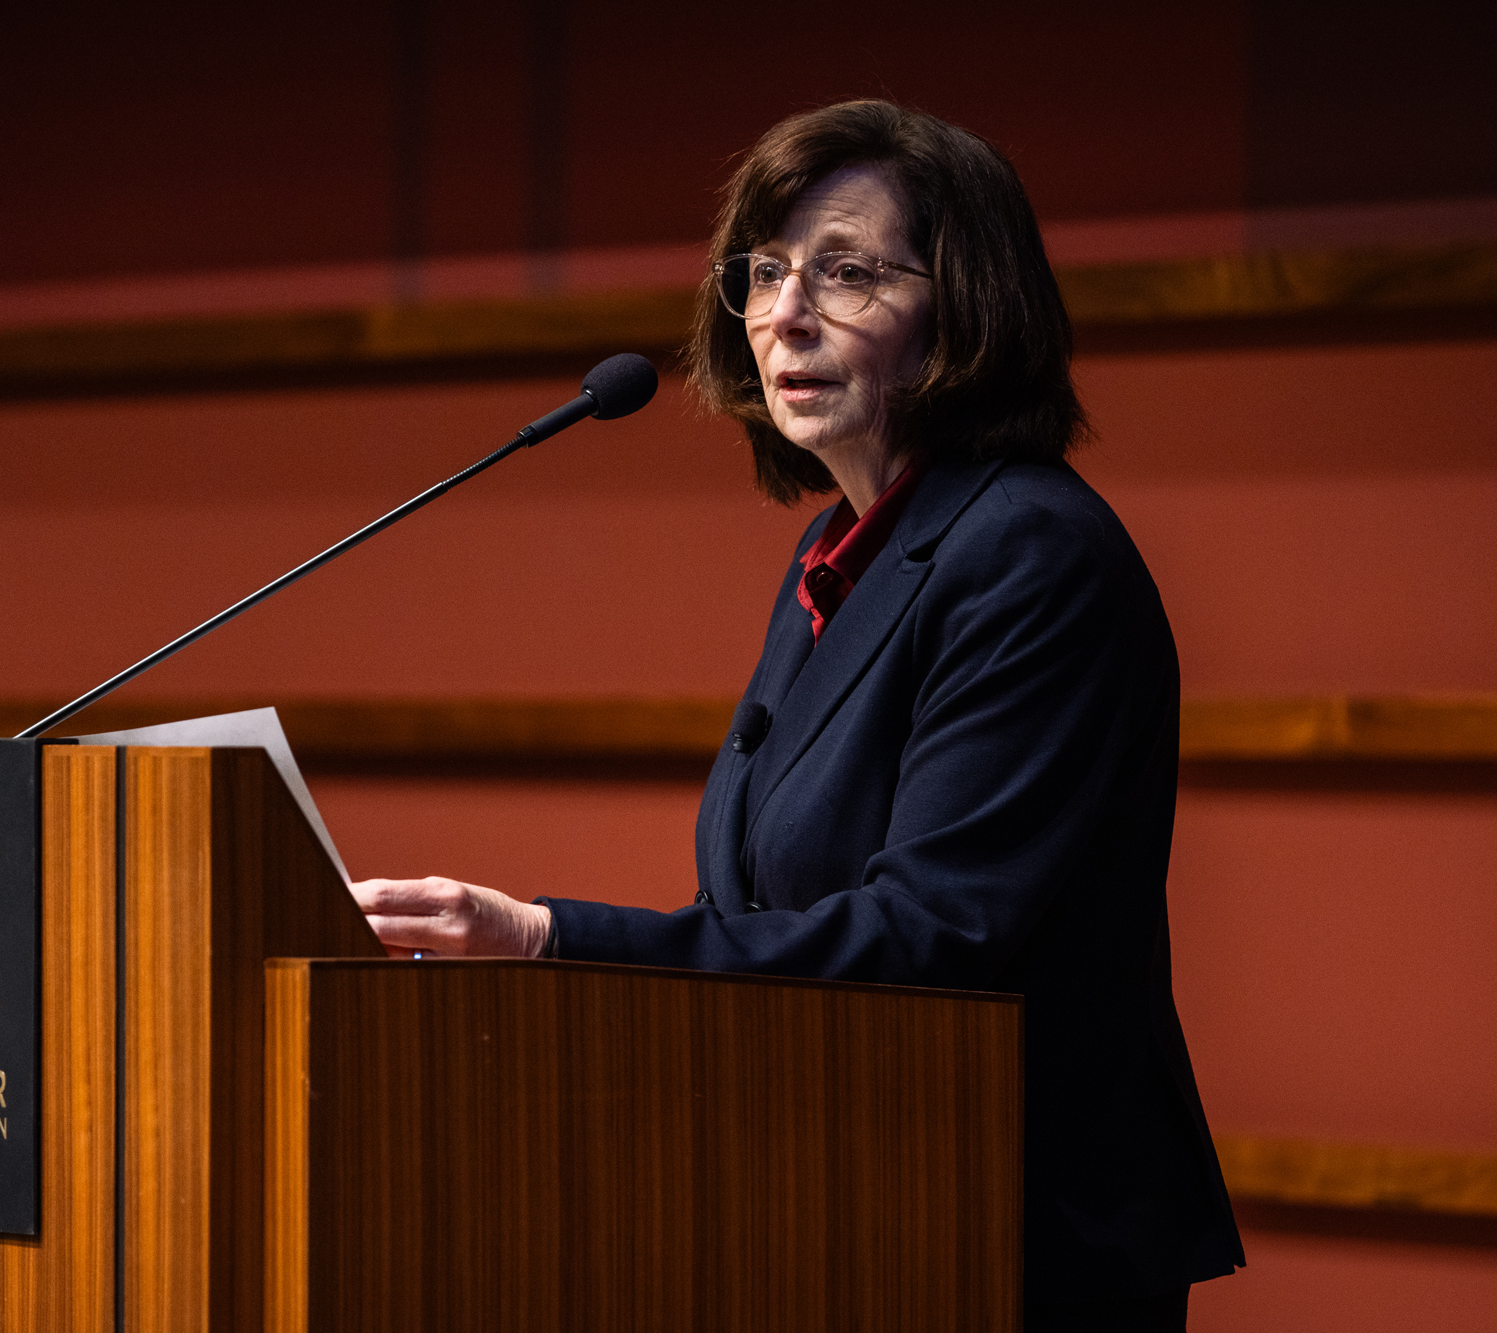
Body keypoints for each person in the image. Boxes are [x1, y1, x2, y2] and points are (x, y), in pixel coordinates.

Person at [351, 100, 1243, 1329]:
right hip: (822, 1199)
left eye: (845, 273)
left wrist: (549, 937)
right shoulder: (843, 554)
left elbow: (925, 939)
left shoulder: (1031, 554)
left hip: (1004, 1237)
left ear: (961, 306)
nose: (782, 312)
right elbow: (760, 911)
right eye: (764, 272)